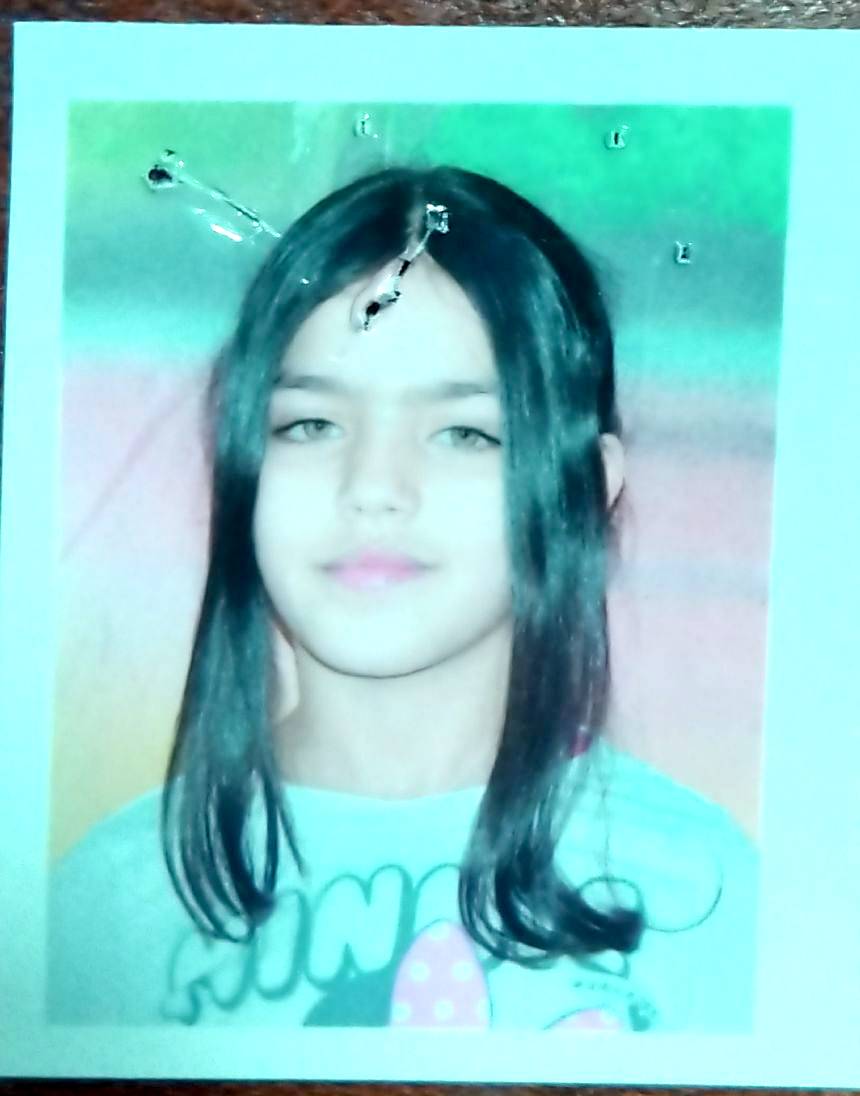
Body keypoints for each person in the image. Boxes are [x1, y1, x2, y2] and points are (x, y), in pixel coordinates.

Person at [48, 165, 757, 1031]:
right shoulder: (98, 910)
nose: (374, 488)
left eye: (463, 433)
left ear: (586, 488)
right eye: (311, 424)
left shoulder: (714, 899)